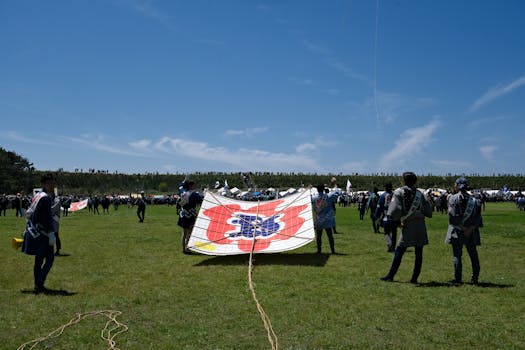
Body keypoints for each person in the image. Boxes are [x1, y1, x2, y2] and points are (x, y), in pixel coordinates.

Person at [380, 172, 432, 284]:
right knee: (419, 252)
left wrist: (397, 222)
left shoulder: (399, 192)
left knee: (399, 250)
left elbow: (394, 211)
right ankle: (414, 278)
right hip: (420, 224)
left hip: (408, 224)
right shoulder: (420, 193)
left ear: (403, 180)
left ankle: (391, 275)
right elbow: (428, 210)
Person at [21, 173, 57, 294]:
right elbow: (46, 217)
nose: (52, 185)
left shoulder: (38, 195)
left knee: (39, 260)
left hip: (35, 230)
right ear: (44, 184)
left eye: (53, 182)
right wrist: (51, 231)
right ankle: (39, 282)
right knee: (50, 259)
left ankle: (38, 285)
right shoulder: (45, 198)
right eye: (50, 183)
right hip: (43, 233)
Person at [445, 177, 483, 285]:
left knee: (457, 255)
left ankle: (458, 279)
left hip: (457, 231)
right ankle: (475, 279)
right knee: (473, 255)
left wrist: (462, 228)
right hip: (471, 232)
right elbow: (478, 218)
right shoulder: (475, 200)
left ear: (457, 185)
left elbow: (452, 217)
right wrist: (469, 229)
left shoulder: (452, 198)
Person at [311, 184, 339, 254]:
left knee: (319, 236)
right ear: (323, 189)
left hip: (318, 219)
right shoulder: (328, 196)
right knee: (330, 236)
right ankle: (333, 251)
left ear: (317, 190)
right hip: (327, 219)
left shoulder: (314, 198)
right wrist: (335, 185)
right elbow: (337, 192)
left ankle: (319, 250)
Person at [177, 180, 204, 254]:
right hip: (190, 214)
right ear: (190, 186)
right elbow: (201, 199)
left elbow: (180, 186)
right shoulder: (194, 194)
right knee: (189, 232)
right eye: (193, 185)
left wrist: (183, 182)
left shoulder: (182, 191)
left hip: (183, 214)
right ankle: (187, 248)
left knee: (184, 232)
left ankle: (184, 249)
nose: (195, 187)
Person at [375, 183, 400, 252]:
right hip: (394, 217)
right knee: (394, 233)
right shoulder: (395, 195)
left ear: (385, 188)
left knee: (386, 232)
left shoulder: (383, 196)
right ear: (391, 187)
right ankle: (393, 247)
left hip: (386, 217)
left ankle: (389, 243)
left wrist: (377, 215)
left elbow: (379, 206)